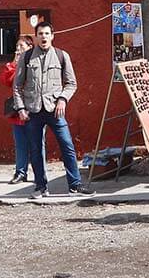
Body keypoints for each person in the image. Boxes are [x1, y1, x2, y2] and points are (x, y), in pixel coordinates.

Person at [11, 22, 93, 198]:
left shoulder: (62, 56)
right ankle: (40, 186)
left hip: (55, 109)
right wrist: (21, 108)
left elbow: (72, 83)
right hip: (33, 110)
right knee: (35, 150)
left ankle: (75, 185)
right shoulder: (26, 57)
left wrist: (63, 99)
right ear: (36, 37)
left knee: (67, 145)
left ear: (52, 36)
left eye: (47, 33)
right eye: (40, 33)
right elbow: (17, 86)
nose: (43, 37)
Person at [0, 35, 37, 184]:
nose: (18, 49)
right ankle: (20, 172)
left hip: (34, 107)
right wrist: (15, 64)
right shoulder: (13, 65)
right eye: (17, 47)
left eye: (22, 46)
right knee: (20, 143)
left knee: (36, 143)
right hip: (18, 109)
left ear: (30, 48)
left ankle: (39, 172)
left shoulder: (34, 63)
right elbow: (7, 81)